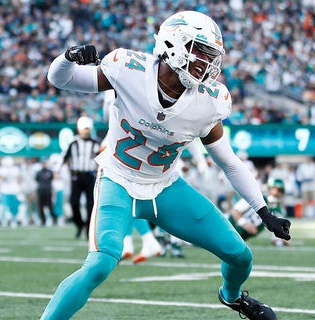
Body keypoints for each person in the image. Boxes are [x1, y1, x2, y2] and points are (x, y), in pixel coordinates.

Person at [41, 11, 290, 320]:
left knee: (240, 256)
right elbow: (59, 78)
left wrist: (263, 211)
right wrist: (68, 57)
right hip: (118, 182)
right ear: (173, 44)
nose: (206, 62)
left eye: (211, 55)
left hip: (166, 188)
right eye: (200, 51)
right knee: (100, 264)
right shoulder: (127, 68)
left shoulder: (208, 101)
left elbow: (229, 163)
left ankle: (233, 298)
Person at [62, 116, 101, 239]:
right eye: (84, 129)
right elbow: (64, 158)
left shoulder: (96, 143)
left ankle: (88, 228)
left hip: (90, 177)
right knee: (74, 203)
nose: (86, 131)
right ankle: (79, 225)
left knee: (91, 205)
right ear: (79, 129)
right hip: (76, 176)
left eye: (88, 129)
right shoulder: (73, 143)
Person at [228, 179, 289, 247]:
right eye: (274, 189)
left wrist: (283, 239)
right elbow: (234, 211)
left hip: (239, 238)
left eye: (279, 190)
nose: (276, 193)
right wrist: (244, 223)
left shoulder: (278, 211)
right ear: (269, 188)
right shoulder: (257, 197)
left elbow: (277, 237)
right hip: (228, 225)